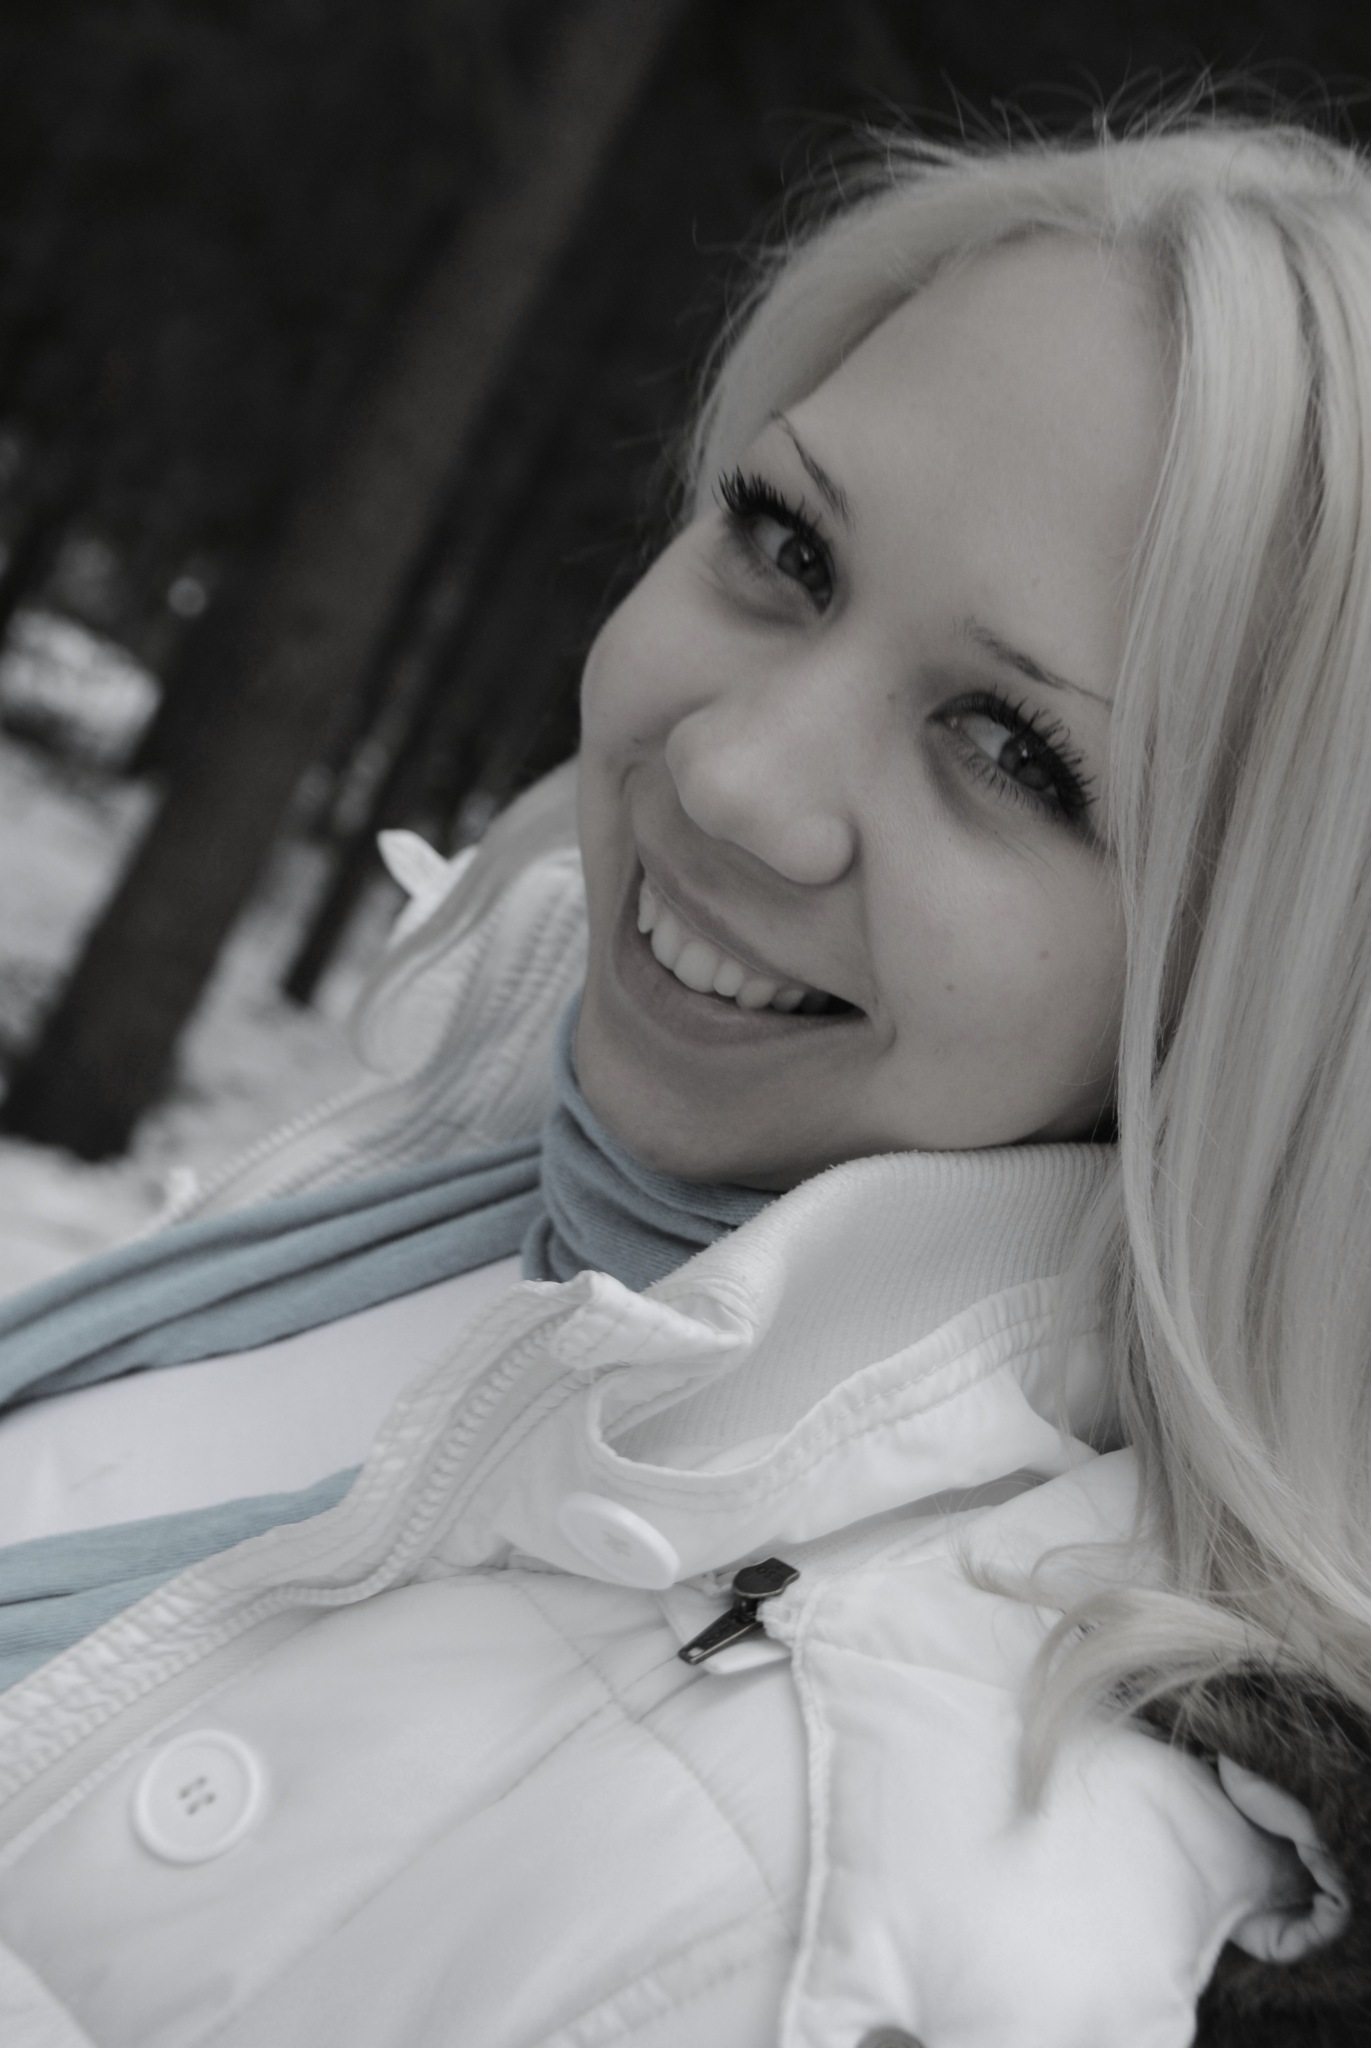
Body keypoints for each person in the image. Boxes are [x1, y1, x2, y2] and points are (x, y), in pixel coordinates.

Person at [0, 110, 1369, 2047]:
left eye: (1009, 749)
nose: (729, 778)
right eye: (786, 547)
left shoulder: (868, 1915)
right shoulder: (499, 1176)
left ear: (1253, 1011)